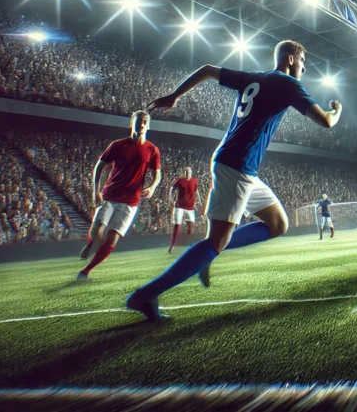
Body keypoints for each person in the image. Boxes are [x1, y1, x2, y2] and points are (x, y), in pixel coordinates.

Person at [126, 40, 342, 321]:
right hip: (237, 166)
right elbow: (326, 122)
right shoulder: (289, 85)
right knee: (215, 242)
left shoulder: (254, 78)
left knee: (278, 224)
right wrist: (337, 109)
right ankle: (145, 295)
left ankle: (208, 253)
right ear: (290, 59)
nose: (304, 67)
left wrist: (175, 96)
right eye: (302, 60)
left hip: (239, 165)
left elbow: (206, 70)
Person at [77, 111, 161, 280]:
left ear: (148, 126)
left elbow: (158, 174)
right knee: (97, 230)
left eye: (145, 122)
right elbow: (99, 166)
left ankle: (86, 271)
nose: (142, 124)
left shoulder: (152, 150)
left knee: (111, 240)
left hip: (131, 202)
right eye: (138, 121)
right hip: (111, 195)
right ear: (132, 124)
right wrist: (96, 190)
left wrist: (152, 187)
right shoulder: (118, 145)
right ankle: (92, 242)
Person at [168, 167, 199, 253]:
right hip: (179, 206)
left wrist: (198, 201)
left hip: (190, 207)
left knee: (190, 227)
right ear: (184, 173)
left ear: (191, 172)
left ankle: (190, 246)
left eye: (188, 172)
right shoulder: (180, 180)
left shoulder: (194, 180)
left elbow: (196, 191)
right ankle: (172, 246)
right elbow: (172, 189)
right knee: (177, 225)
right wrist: (170, 199)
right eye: (185, 172)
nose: (187, 173)